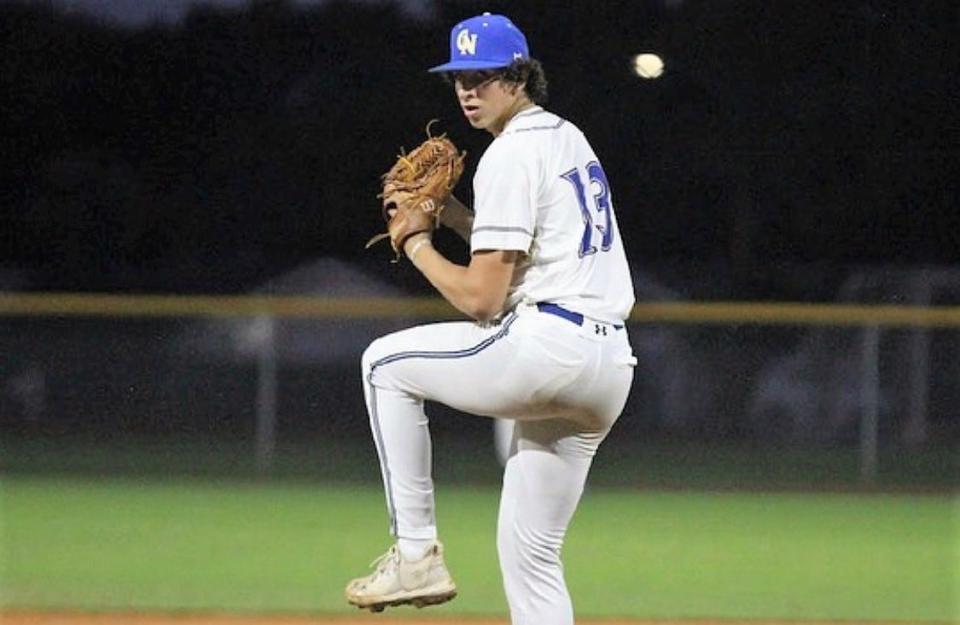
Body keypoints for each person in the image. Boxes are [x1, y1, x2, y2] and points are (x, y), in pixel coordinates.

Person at [345, 12, 637, 625]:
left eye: (484, 77)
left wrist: (418, 241)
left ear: (520, 76)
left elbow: (482, 300)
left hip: (548, 348)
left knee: (383, 366)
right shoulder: (564, 136)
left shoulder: (507, 155)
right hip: (608, 367)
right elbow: (527, 254)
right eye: (458, 79)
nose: (468, 91)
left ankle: (416, 552)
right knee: (530, 554)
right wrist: (450, 215)